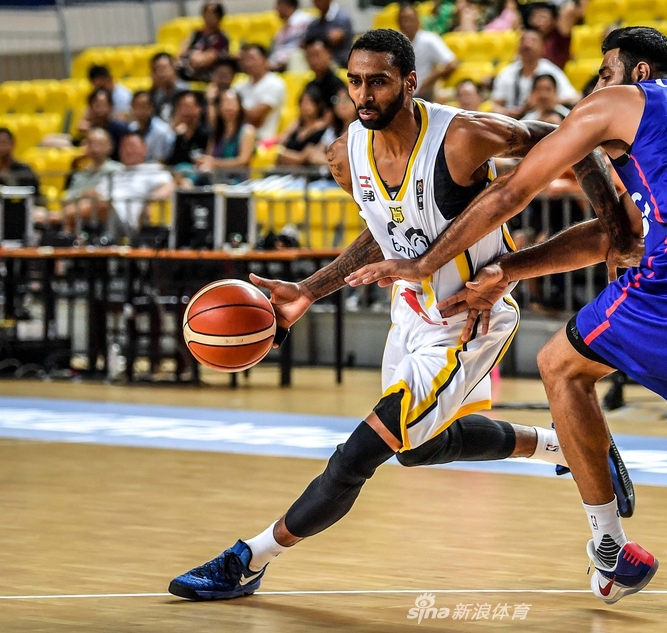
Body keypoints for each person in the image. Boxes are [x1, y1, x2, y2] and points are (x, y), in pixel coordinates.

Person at [347, 26, 667, 606]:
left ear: (638, 73)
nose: (596, 87)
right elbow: (611, 233)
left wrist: (425, 262)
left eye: (603, 72)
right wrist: (508, 269)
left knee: (560, 367)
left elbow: (513, 192)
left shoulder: (622, 101)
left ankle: (610, 550)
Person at [168, 28, 633, 602]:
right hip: (409, 311)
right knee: (414, 448)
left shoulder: (462, 136)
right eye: (355, 82)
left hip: (467, 321)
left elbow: (577, 144)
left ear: (410, 82)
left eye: (379, 82)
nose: (363, 95)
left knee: (357, 456)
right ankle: (563, 443)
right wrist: (309, 291)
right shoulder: (346, 154)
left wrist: (617, 234)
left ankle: (248, 559)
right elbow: (385, 228)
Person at [64, 134, 173, 235]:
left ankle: (60, 219)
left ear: (145, 149)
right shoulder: (117, 173)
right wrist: (86, 194)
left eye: (133, 146)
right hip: (103, 213)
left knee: (100, 206)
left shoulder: (154, 170)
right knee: (82, 207)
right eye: (124, 147)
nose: (128, 150)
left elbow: (169, 187)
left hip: (126, 219)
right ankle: (66, 241)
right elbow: (97, 192)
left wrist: (149, 200)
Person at [492, 29, 579, 119]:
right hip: (511, 121)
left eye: (533, 40)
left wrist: (543, 100)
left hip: (541, 119)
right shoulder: (507, 73)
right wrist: (505, 112)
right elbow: (496, 104)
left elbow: (574, 98)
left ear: (543, 48)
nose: (527, 44)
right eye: (523, 40)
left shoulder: (551, 71)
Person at [397, 3, 457, 101]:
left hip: (422, 96)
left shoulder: (429, 40)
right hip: (401, 95)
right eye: (402, 20)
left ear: (418, 21)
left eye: (409, 20)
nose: (406, 24)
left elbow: (452, 63)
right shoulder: (396, 43)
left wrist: (429, 80)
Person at [195, 90, 256, 179]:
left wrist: (215, 163)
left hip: (236, 179)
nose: (228, 106)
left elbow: (243, 161)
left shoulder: (247, 131)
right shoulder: (216, 132)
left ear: (239, 106)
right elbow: (209, 156)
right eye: (224, 102)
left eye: (231, 102)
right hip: (214, 176)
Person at [235, 44, 287, 141]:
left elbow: (255, 118)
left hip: (260, 140)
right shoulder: (239, 86)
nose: (248, 63)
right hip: (236, 138)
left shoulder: (275, 83)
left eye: (252, 58)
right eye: (244, 59)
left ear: (265, 60)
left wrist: (233, 110)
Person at [63, 128, 123, 204]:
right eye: (91, 143)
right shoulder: (80, 173)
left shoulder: (118, 170)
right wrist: (83, 195)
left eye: (100, 144)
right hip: (79, 210)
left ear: (110, 146)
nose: (95, 148)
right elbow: (66, 200)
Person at [178, 1, 230, 82]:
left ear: (219, 17)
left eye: (212, 14)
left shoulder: (221, 38)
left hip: (206, 73)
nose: (208, 17)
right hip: (186, 67)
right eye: (206, 14)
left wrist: (197, 57)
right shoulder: (195, 34)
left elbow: (211, 57)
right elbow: (181, 52)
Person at [276, 86, 329, 166]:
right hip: (286, 168)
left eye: (309, 102)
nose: (305, 106)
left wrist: (282, 153)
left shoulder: (324, 130)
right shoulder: (297, 127)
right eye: (302, 102)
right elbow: (280, 142)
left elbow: (305, 158)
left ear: (318, 105)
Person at [527, 2, 582, 70]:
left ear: (554, 20)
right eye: (535, 17)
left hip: (555, 73)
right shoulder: (528, 38)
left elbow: (570, 9)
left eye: (543, 17)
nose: (539, 21)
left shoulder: (560, 36)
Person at [77, 88, 128, 161]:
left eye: (102, 105)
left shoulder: (119, 128)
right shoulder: (91, 128)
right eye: (96, 105)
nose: (99, 109)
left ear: (111, 106)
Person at [165, 91, 211, 168]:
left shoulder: (207, 134)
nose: (185, 112)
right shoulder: (175, 136)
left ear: (199, 108)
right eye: (181, 107)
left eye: (189, 107)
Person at [126, 91, 175, 163]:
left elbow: (160, 162)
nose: (140, 110)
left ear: (151, 108)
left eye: (143, 106)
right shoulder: (131, 128)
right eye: (136, 106)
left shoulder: (161, 131)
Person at [303, 0, 355, 68]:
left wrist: (317, 38)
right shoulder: (314, 23)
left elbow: (334, 39)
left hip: (339, 62)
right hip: (319, 62)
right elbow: (305, 43)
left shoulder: (342, 18)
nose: (317, 2)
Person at [303, 34, 347, 112]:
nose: (313, 60)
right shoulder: (309, 85)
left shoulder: (337, 84)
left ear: (329, 54)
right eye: (309, 56)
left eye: (316, 55)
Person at [270, 0, 314, 72]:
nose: (276, 9)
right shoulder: (281, 30)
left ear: (286, 5)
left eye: (278, 5)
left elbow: (309, 43)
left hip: (294, 61)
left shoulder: (306, 20)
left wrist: (285, 60)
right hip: (277, 64)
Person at [151, 53, 191, 123]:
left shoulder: (186, 92)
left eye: (163, 68)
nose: (160, 73)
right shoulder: (158, 95)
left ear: (173, 68)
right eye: (156, 70)